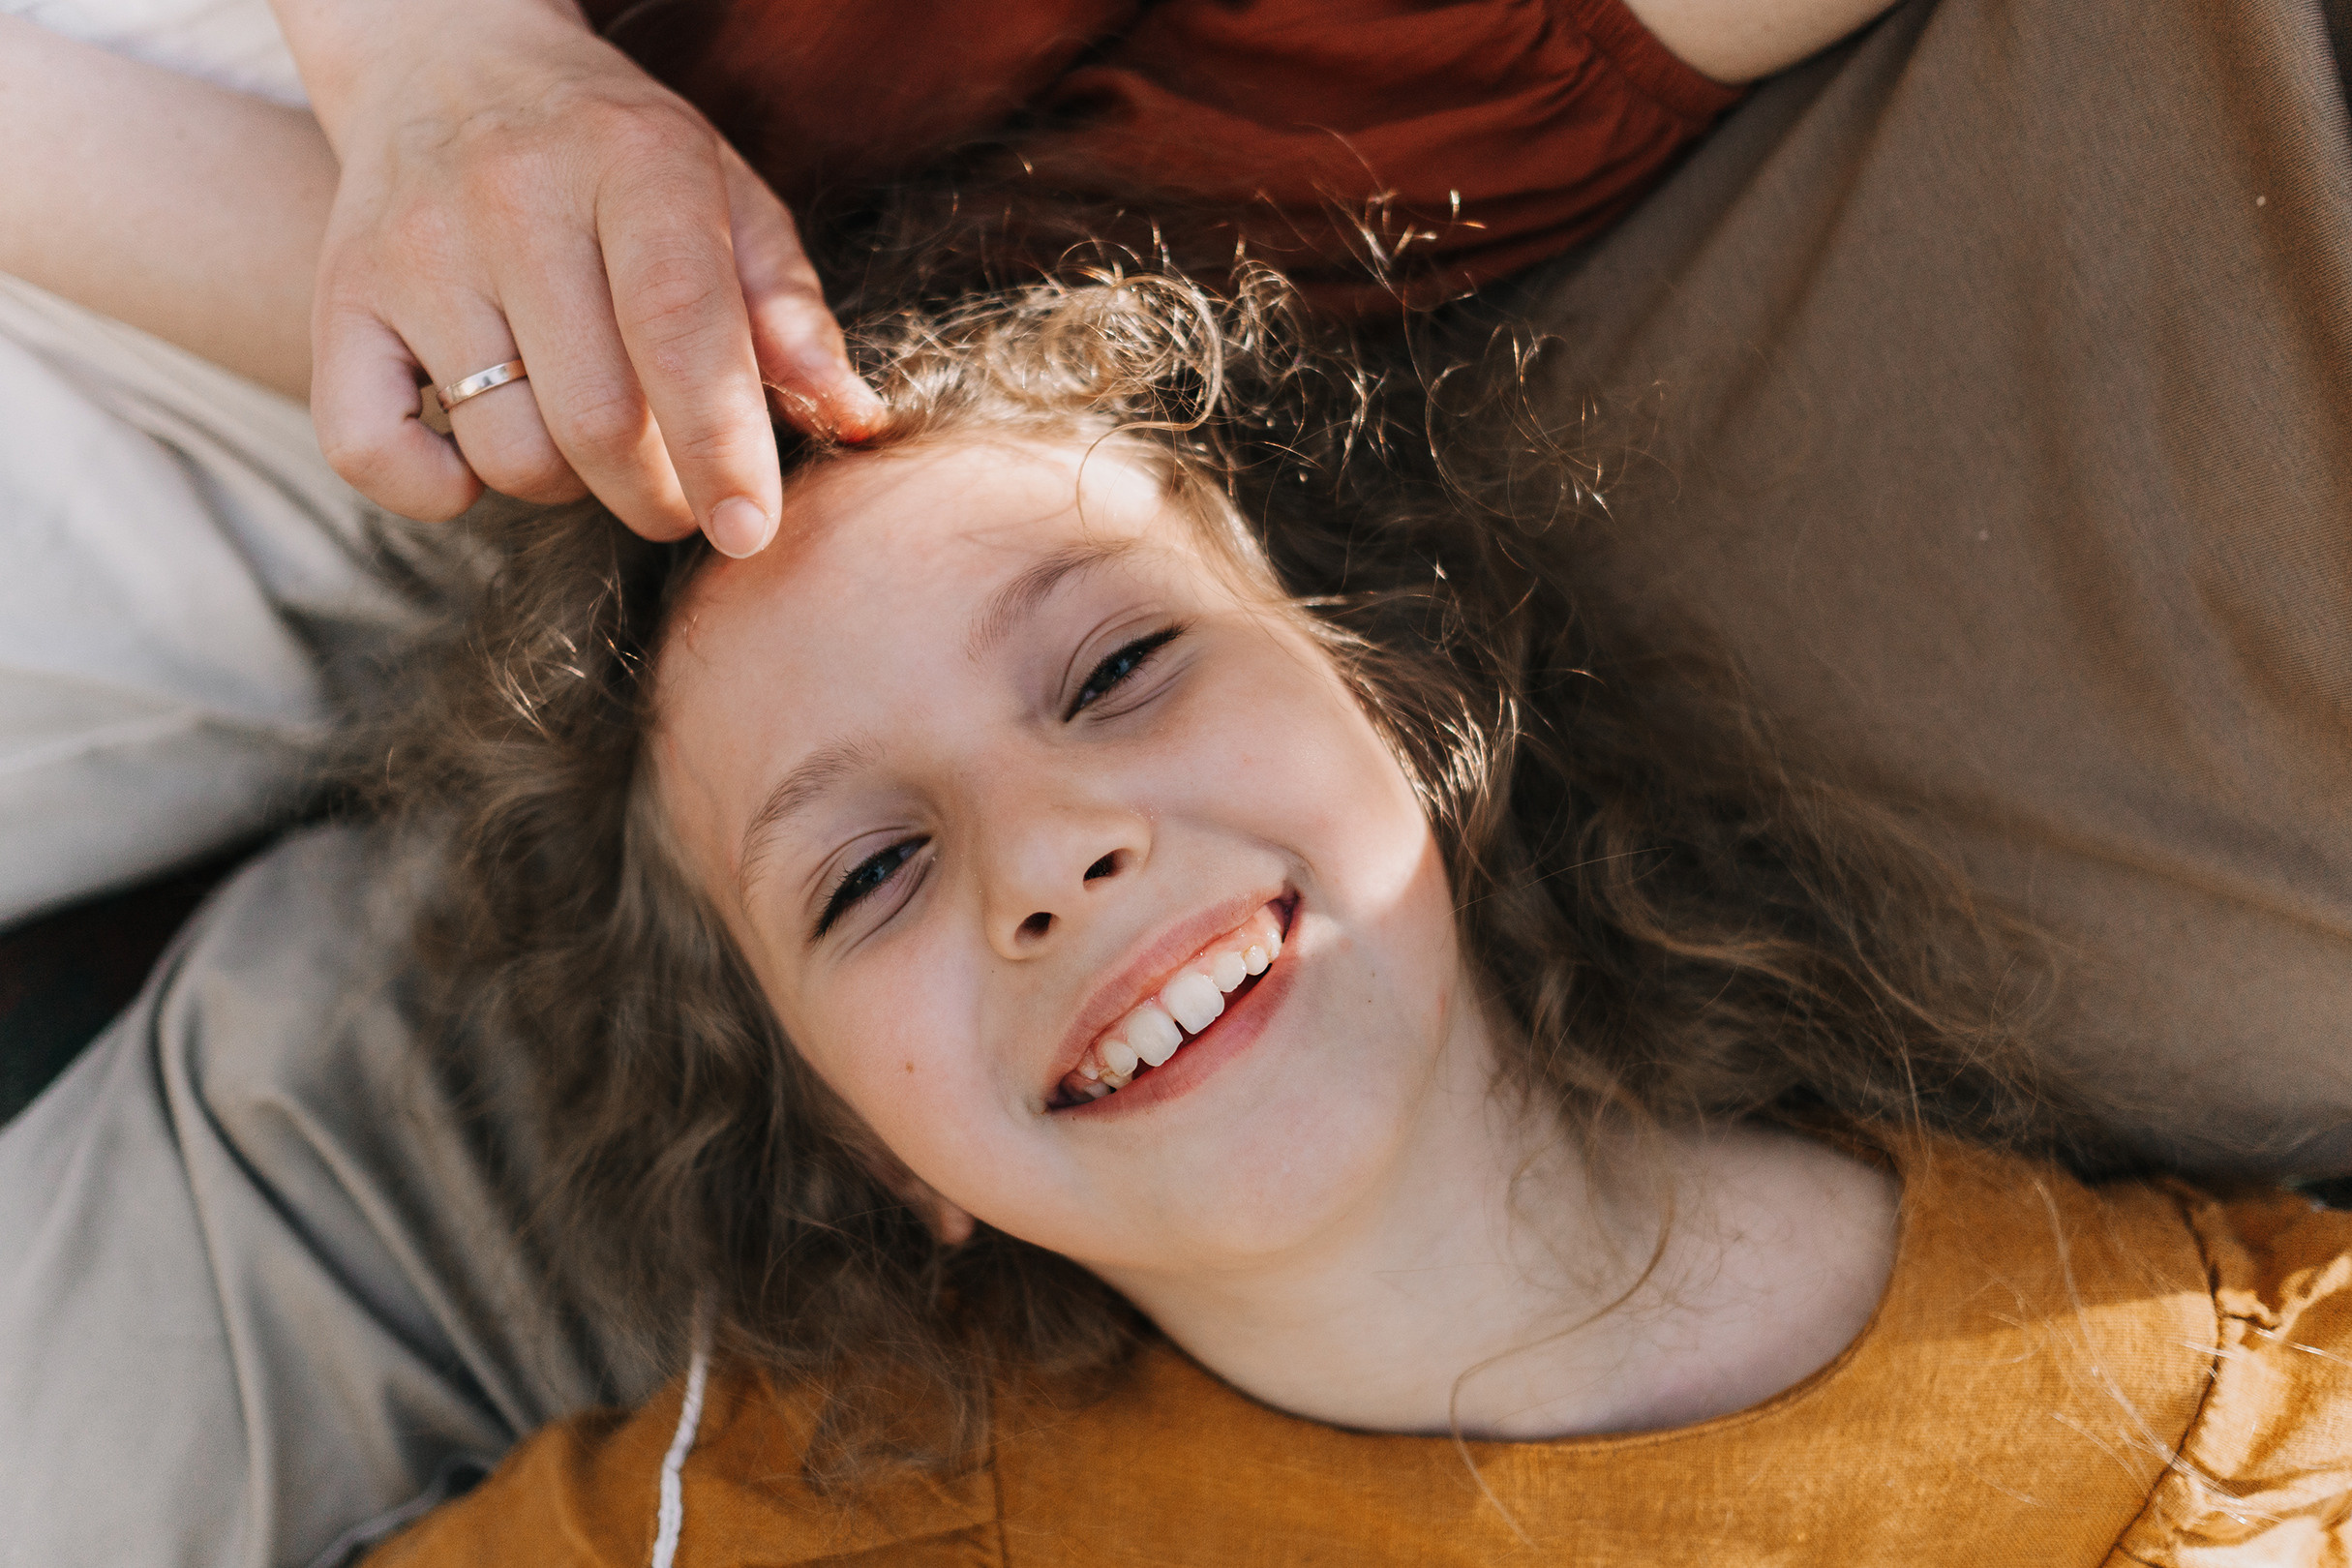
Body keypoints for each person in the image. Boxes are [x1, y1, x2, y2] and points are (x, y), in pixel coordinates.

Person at [359, 270, 2350, 1563]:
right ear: (867, 1149)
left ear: (1399, 701)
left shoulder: (2272, 1427)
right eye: (869, 875)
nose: (1050, 855)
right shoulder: (790, 1523)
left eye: (1121, 667)